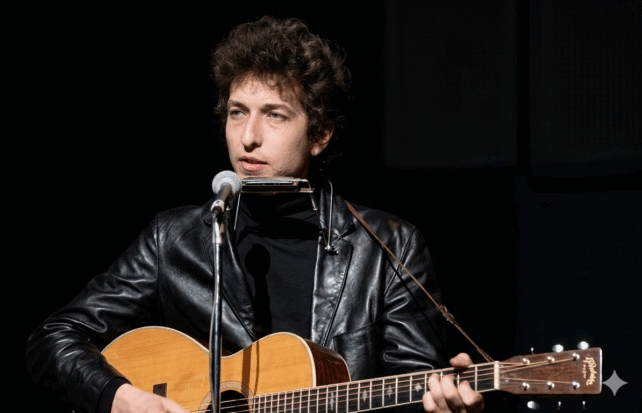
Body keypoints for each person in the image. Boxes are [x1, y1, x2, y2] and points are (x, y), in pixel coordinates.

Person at [27, 16, 484, 413]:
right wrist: (123, 397)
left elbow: (416, 387)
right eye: (237, 112)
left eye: (275, 115)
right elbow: (54, 338)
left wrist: (445, 406)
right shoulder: (175, 238)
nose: (248, 137)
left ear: (320, 134)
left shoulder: (389, 246)